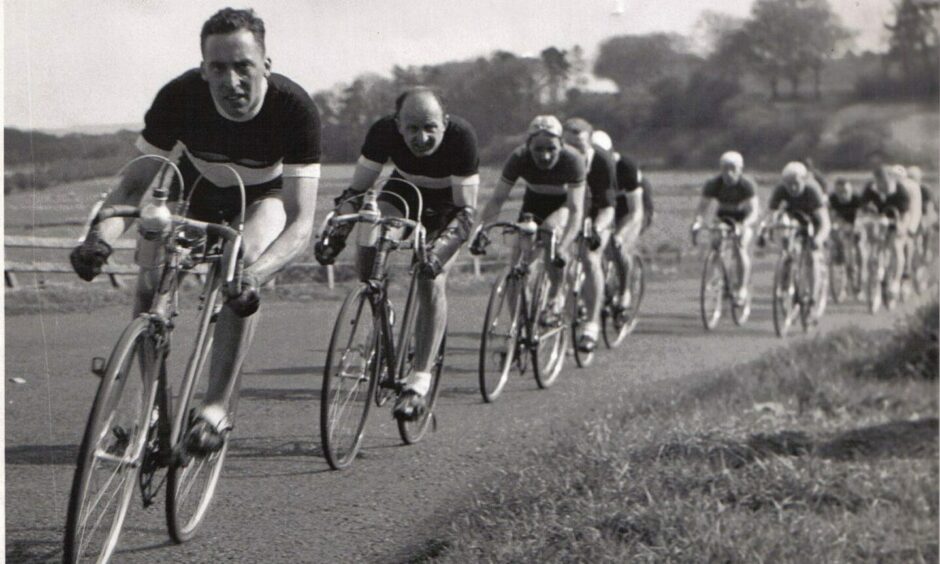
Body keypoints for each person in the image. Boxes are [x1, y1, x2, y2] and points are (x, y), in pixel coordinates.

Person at [69, 8, 322, 452]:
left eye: (243, 66)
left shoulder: (294, 108)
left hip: (263, 197)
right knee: (151, 281)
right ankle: (148, 406)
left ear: (266, 64)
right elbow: (132, 185)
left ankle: (214, 409)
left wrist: (255, 278)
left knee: (239, 264)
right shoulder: (180, 96)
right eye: (218, 68)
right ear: (204, 69)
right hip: (197, 190)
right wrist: (99, 239)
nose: (231, 81)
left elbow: (300, 222)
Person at [317, 87, 479, 421]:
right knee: (371, 230)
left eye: (430, 127)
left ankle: (419, 381)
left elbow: (466, 213)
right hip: (402, 189)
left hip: (448, 204)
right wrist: (339, 232)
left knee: (430, 278)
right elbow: (357, 191)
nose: (422, 137)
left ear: (445, 123)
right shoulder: (381, 132)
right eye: (412, 128)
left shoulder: (462, 137)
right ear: (397, 125)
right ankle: (378, 302)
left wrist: (438, 253)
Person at [472, 115, 586, 329]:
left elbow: (575, 210)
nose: (545, 155)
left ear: (561, 144)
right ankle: (519, 329)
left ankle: (555, 297)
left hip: (562, 205)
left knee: (550, 231)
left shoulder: (573, 159)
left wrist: (564, 246)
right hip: (533, 204)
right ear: (528, 145)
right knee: (517, 268)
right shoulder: (518, 158)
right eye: (538, 149)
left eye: (551, 149)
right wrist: (482, 231)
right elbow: (497, 199)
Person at [560, 119, 616, 353]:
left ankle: (592, 325)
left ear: (589, 142)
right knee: (560, 260)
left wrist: (598, 228)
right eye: (570, 145)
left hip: (597, 215)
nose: (575, 151)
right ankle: (563, 317)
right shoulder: (561, 159)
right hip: (570, 214)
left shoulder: (602, 161)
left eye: (580, 145)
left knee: (590, 258)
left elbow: (608, 206)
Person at [761, 162, 831, 322]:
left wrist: (819, 239)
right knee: (787, 245)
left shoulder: (812, 190)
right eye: (788, 184)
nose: (792, 188)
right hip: (793, 221)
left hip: (813, 221)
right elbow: (769, 215)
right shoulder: (780, 190)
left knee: (812, 257)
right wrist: (764, 232)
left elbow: (825, 222)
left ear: (804, 180)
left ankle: (812, 299)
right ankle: (786, 277)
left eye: (796, 183)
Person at [690, 151, 760, 305]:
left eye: (733, 169)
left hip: (743, 219)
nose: (729, 173)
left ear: (740, 169)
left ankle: (742, 288)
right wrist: (697, 223)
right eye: (725, 169)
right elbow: (702, 208)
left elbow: (754, 211)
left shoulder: (746, 185)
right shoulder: (713, 184)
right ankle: (717, 277)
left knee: (740, 247)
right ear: (720, 169)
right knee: (715, 242)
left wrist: (745, 225)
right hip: (723, 217)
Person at [590, 130, 644, 319]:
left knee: (618, 246)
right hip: (602, 206)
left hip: (627, 210)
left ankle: (624, 291)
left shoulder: (626, 167)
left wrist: (621, 234)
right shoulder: (588, 165)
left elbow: (636, 211)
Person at [861, 165, 915, 309]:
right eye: (879, 183)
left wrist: (899, 227)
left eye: (885, 183)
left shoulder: (900, 191)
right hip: (878, 220)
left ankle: (896, 281)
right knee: (873, 248)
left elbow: (905, 215)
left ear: (891, 180)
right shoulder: (869, 190)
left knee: (896, 246)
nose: (882, 187)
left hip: (897, 219)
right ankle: (873, 278)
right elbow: (863, 210)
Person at [828, 177, 867, 299]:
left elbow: (862, 216)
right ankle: (839, 283)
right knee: (836, 250)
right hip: (840, 227)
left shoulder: (857, 200)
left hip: (855, 227)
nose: (842, 195)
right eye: (839, 192)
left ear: (850, 190)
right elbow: (829, 215)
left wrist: (856, 226)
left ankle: (859, 285)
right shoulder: (832, 199)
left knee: (859, 251)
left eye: (845, 192)